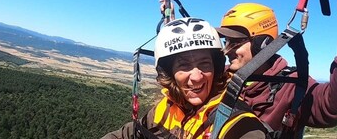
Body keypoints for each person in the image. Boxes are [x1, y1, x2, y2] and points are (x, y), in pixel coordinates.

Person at [215, 0, 337, 133]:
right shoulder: (219, 78)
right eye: (227, 41)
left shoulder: (292, 85)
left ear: (263, 43)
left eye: (236, 42)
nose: (227, 50)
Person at [102, 18, 268, 139]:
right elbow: (131, 133)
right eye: (184, 65)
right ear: (170, 73)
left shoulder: (239, 125)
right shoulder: (169, 107)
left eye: (204, 64)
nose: (196, 77)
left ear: (216, 68)